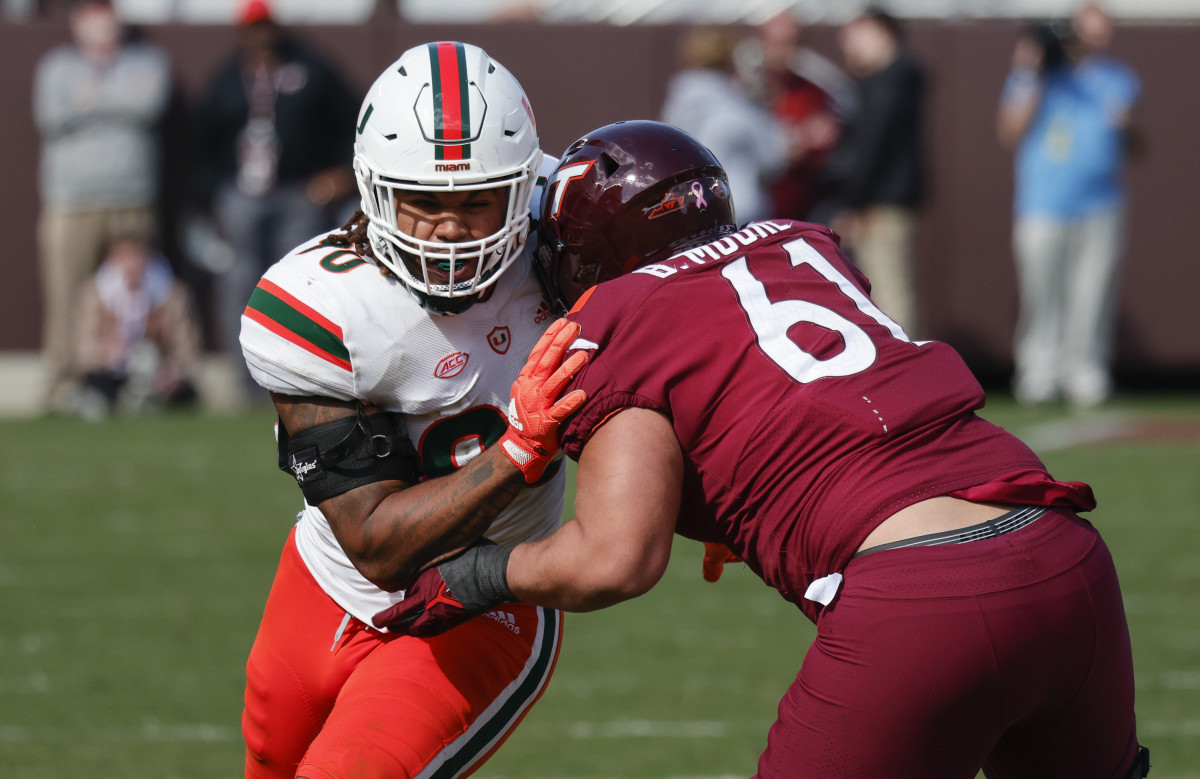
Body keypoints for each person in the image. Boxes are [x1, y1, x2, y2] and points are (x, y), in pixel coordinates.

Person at [375, 121, 1150, 779]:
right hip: (1064, 555)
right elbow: (825, 395)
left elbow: (615, 558)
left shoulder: (617, 312)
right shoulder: (804, 244)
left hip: (924, 598)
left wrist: (479, 574)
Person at [237, 41, 584, 778]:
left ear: (524, 186)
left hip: (486, 596)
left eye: (476, 199)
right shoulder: (321, 304)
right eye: (424, 200)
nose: (451, 228)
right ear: (375, 188)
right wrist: (520, 449)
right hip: (328, 578)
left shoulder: (582, 231)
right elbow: (377, 543)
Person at [193, 0, 360, 407]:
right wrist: (215, 193)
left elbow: (353, 119)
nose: (260, 34)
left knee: (301, 282)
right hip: (242, 194)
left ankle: (300, 379)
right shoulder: (229, 78)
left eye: (265, 25)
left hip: (297, 192)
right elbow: (203, 143)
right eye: (253, 26)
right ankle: (247, 384)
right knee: (240, 283)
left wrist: (338, 174)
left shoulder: (311, 69)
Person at [998, 4, 1142, 408]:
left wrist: (1128, 126)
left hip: (1100, 203)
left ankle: (1085, 373)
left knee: (1092, 295)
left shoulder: (1117, 77)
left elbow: (1136, 144)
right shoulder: (1037, 76)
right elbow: (1010, 131)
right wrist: (1030, 72)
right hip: (1043, 203)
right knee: (1041, 293)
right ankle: (1038, 375)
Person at [33, 0, 172, 413]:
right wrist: (117, 103)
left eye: (106, 9)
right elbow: (53, 116)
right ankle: (64, 385)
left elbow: (148, 106)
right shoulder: (56, 66)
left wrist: (92, 102)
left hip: (133, 196)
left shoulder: (147, 60)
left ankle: (142, 384)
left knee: (141, 295)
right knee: (67, 296)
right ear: (78, 20)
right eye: (91, 10)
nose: (101, 20)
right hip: (71, 200)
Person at [832, 7, 926, 336]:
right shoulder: (894, 80)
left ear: (878, 31)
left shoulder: (890, 83)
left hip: (880, 204)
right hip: (884, 200)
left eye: (853, 36)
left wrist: (853, 203)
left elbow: (873, 147)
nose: (848, 47)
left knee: (889, 294)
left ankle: (907, 376)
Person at [660, 25, 788, 223]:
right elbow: (773, 159)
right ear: (730, 58)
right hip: (740, 209)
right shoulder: (740, 104)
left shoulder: (677, 104)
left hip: (691, 211)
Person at [741, 10, 855, 224]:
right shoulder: (744, 89)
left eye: (793, 43)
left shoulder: (810, 91)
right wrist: (791, 143)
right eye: (779, 43)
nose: (787, 52)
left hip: (800, 209)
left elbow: (825, 139)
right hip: (753, 211)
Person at [73, 235, 202, 418]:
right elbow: (84, 348)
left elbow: (187, 346)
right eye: (124, 257)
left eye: (136, 256)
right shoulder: (94, 295)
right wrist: (106, 354)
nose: (132, 264)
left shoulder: (171, 294)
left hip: (157, 373)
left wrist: (174, 369)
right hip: (111, 372)